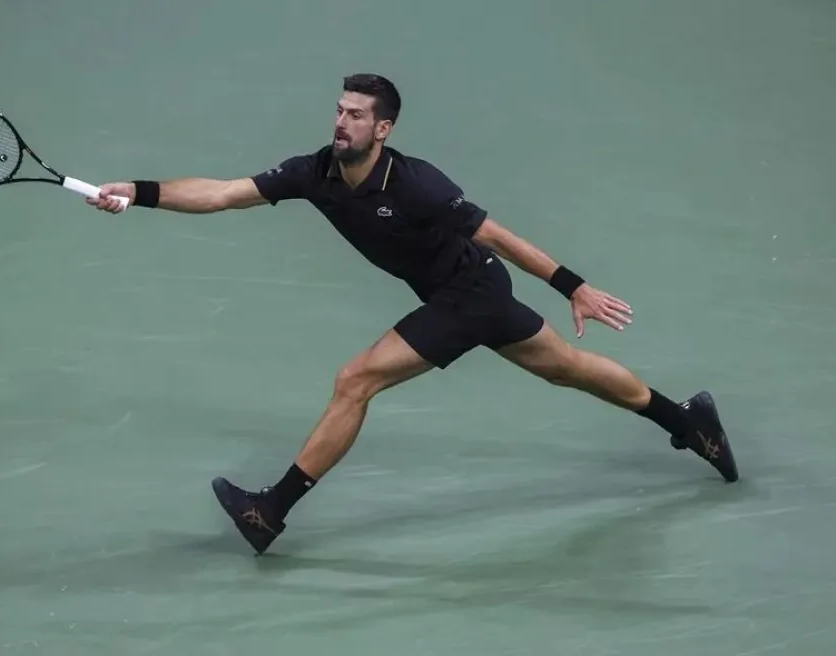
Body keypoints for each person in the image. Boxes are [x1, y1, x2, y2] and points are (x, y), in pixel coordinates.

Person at [87, 73, 739, 555]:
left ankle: (270, 512)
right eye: (339, 111)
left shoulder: (418, 184)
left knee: (356, 380)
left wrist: (573, 284)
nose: (341, 122)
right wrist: (139, 193)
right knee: (566, 368)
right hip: (467, 295)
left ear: (384, 130)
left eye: (356, 116)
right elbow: (224, 193)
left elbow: (497, 234)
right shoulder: (312, 172)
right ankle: (690, 423)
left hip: (469, 295)